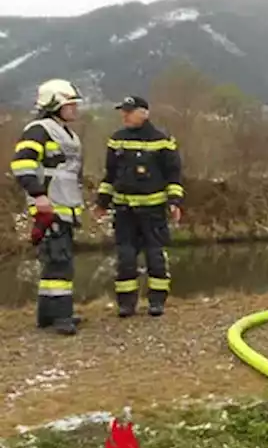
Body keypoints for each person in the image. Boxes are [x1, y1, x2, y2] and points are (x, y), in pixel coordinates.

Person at [92, 96, 183, 318]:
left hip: (153, 211)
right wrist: (102, 202)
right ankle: (126, 304)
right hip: (124, 211)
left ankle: (157, 302)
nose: (124, 115)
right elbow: (110, 175)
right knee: (125, 257)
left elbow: (174, 174)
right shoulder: (116, 140)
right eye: (123, 111)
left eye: (129, 111)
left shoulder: (162, 140)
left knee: (155, 256)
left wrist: (174, 202)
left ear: (144, 113)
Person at [10, 79, 87, 335]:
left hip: (66, 206)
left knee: (54, 261)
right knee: (59, 263)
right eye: (70, 104)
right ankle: (62, 317)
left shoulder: (69, 134)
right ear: (55, 104)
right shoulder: (38, 130)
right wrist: (38, 195)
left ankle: (46, 316)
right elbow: (22, 164)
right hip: (50, 206)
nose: (75, 109)